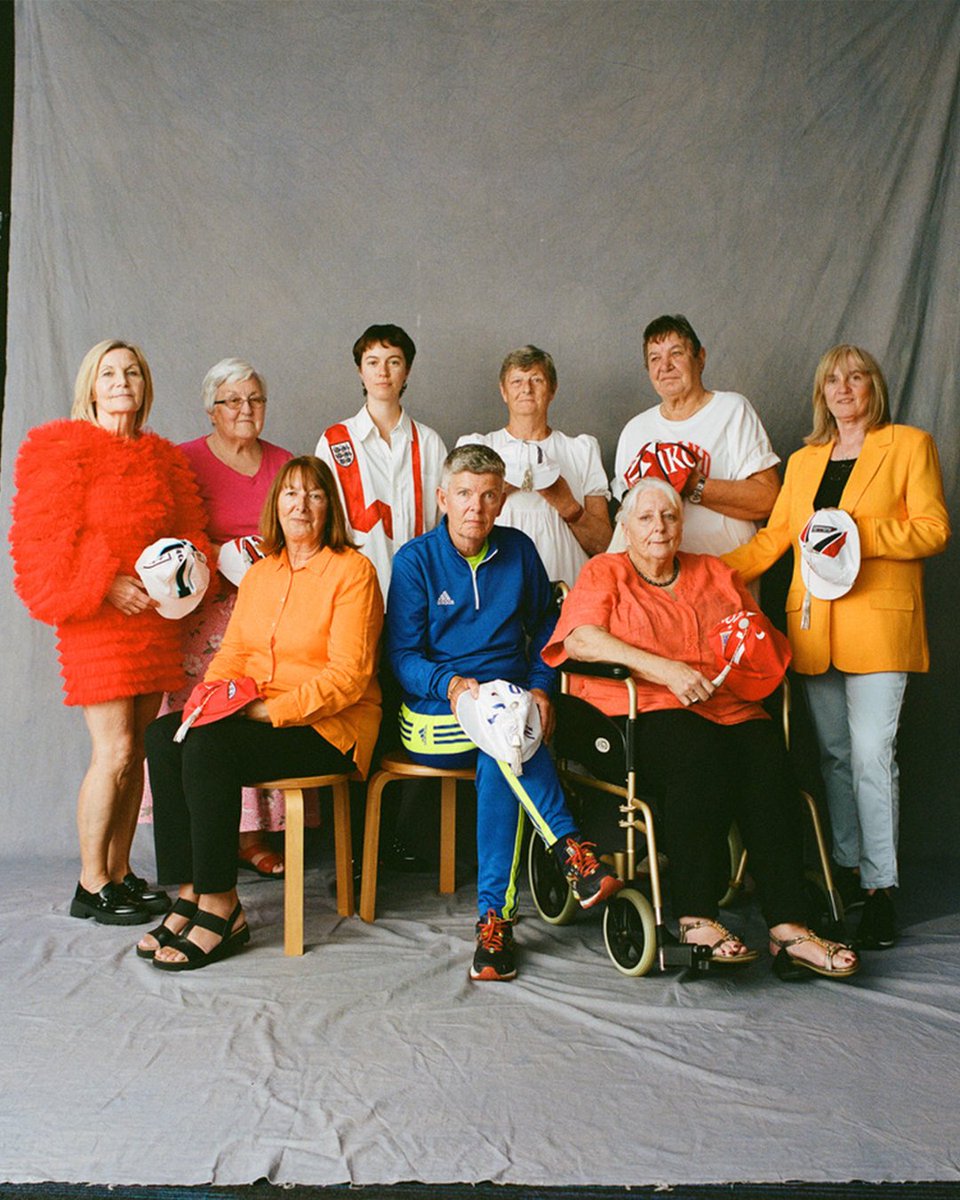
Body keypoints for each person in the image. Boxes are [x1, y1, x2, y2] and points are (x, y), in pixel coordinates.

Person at [543, 477, 861, 980]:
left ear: (682, 523)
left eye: (668, 516)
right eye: (645, 518)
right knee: (698, 757)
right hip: (636, 710)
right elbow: (581, 639)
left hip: (725, 706)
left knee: (768, 757)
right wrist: (663, 668)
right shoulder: (607, 571)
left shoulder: (714, 573)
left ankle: (788, 926)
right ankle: (696, 917)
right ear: (625, 526)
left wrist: (752, 647)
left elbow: (756, 641)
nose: (658, 528)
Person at [723, 345, 950, 950]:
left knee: (874, 756)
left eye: (856, 377)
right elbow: (774, 538)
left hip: (880, 629)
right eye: (832, 379)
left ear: (874, 386)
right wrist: (711, 573)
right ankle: (845, 870)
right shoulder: (803, 461)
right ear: (822, 393)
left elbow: (933, 529)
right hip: (813, 630)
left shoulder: (909, 445)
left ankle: (881, 889)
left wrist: (855, 532)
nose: (844, 387)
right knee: (835, 760)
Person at [386, 444, 622, 982]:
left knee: (503, 749)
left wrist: (541, 687)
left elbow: (546, 628)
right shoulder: (415, 560)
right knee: (506, 742)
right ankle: (572, 849)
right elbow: (401, 658)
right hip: (433, 711)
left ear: (501, 503)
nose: (476, 506)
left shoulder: (518, 550)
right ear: (444, 497)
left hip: (511, 705)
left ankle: (495, 920)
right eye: (465, 494)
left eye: (490, 495)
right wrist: (451, 685)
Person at [137, 456, 383, 971]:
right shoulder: (262, 573)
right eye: (291, 494)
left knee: (208, 747)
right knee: (166, 736)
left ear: (328, 507)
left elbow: (349, 676)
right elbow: (234, 653)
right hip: (256, 712)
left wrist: (269, 710)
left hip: (326, 725)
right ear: (276, 505)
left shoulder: (353, 571)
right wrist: (209, 698)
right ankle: (192, 890)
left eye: (315, 495)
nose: (302, 504)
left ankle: (224, 907)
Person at [9, 339, 211, 925]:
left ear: (145, 386)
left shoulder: (162, 457)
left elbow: (187, 531)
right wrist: (105, 584)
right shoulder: (60, 448)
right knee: (115, 749)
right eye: (109, 373)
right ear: (90, 387)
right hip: (97, 618)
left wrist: (174, 577)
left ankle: (120, 873)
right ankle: (89, 882)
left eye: (132, 373)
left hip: (151, 620)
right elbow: (41, 541)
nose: (122, 382)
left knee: (139, 754)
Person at [139, 358, 295, 879]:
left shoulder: (284, 464)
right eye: (233, 400)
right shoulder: (183, 461)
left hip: (270, 610)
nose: (246, 409)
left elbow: (303, 529)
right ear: (211, 410)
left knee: (251, 713)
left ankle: (252, 836)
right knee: (197, 720)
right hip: (201, 613)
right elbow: (163, 531)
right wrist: (217, 553)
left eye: (255, 399)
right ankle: (200, 842)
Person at [612, 314, 780, 555]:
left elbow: (768, 499)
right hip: (656, 585)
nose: (665, 366)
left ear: (700, 358)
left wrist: (693, 484)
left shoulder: (732, 410)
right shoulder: (635, 430)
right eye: (655, 358)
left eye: (676, 353)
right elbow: (627, 524)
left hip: (728, 574)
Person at [457, 345, 611, 584]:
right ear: (503, 391)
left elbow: (606, 546)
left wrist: (569, 506)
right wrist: (496, 487)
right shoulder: (478, 448)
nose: (526, 389)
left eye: (536, 380)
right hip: (494, 592)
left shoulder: (581, 450)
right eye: (517, 381)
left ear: (552, 390)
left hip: (569, 592)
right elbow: (455, 530)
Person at [316, 323, 447, 600]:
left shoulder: (429, 443)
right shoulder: (335, 441)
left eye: (394, 362)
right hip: (353, 592)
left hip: (421, 593)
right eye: (372, 362)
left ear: (407, 370)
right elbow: (321, 522)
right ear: (360, 372)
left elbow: (444, 524)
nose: (383, 372)